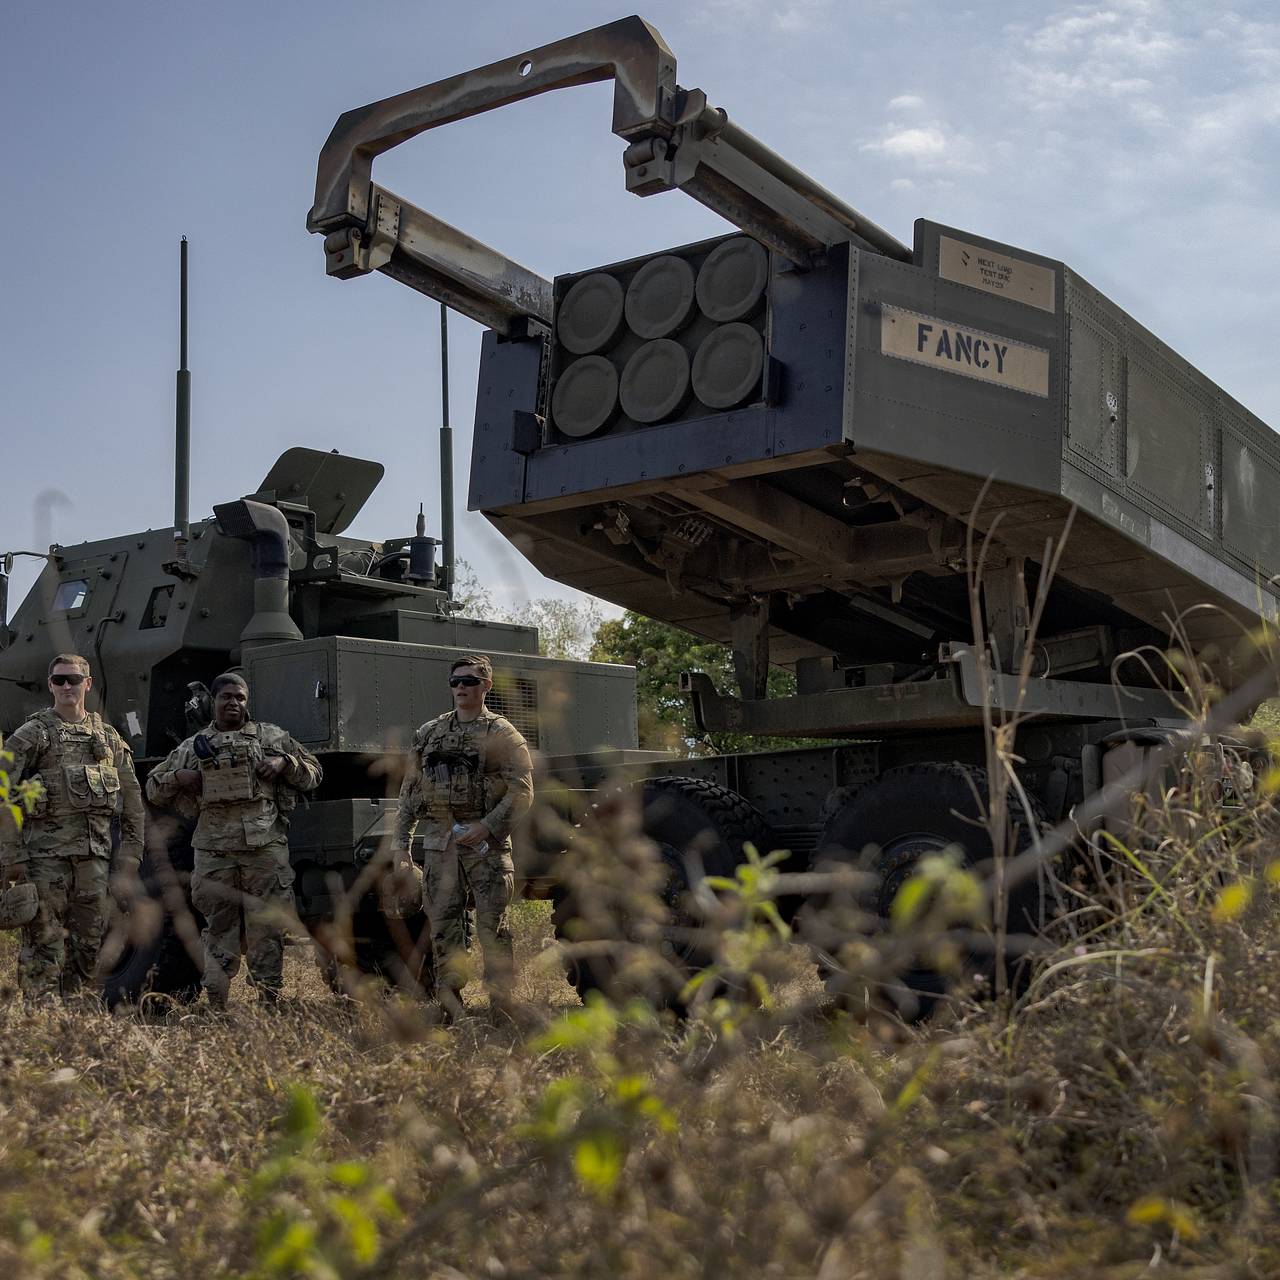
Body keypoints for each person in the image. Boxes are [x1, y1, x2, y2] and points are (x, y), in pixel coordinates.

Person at [146, 672, 321, 1008]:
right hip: (214, 852)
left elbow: (314, 773)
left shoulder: (272, 738)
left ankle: (268, 1001)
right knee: (217, 929)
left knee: (266, 928)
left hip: (264, 850)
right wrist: (180, 777)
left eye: (240, 697)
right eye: (227, 697)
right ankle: (216, 1002)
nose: (234, 703)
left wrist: (285, 762)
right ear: (214, 701)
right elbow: (153, 789)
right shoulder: (193, 747)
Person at [390, 655, 533, 1016]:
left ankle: (502, 1006)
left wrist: (486, 827)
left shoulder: (502, 734)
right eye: (455, 682)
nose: (460, 688)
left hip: (487, 846)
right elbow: (409, 792)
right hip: (440, 846)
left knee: (493, 929)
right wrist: (401, 847)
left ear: (486, 686)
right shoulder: (430, 733)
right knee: (443, 929)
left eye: (469, 681)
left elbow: (522, 792)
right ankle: (450, 1005)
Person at [0, 653, 144, 1000]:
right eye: (60, 680)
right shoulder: (33, 734)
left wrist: (132, 856)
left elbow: (133, 801)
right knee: (44, 947)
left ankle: (76, 1028)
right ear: (50, 685)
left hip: (94, 863)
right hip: (45, 862)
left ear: (88, 684)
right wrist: (13, 855)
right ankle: (41, 1030)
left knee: (89, 949)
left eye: (74, 680)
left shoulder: (108, 739)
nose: (67, 686)